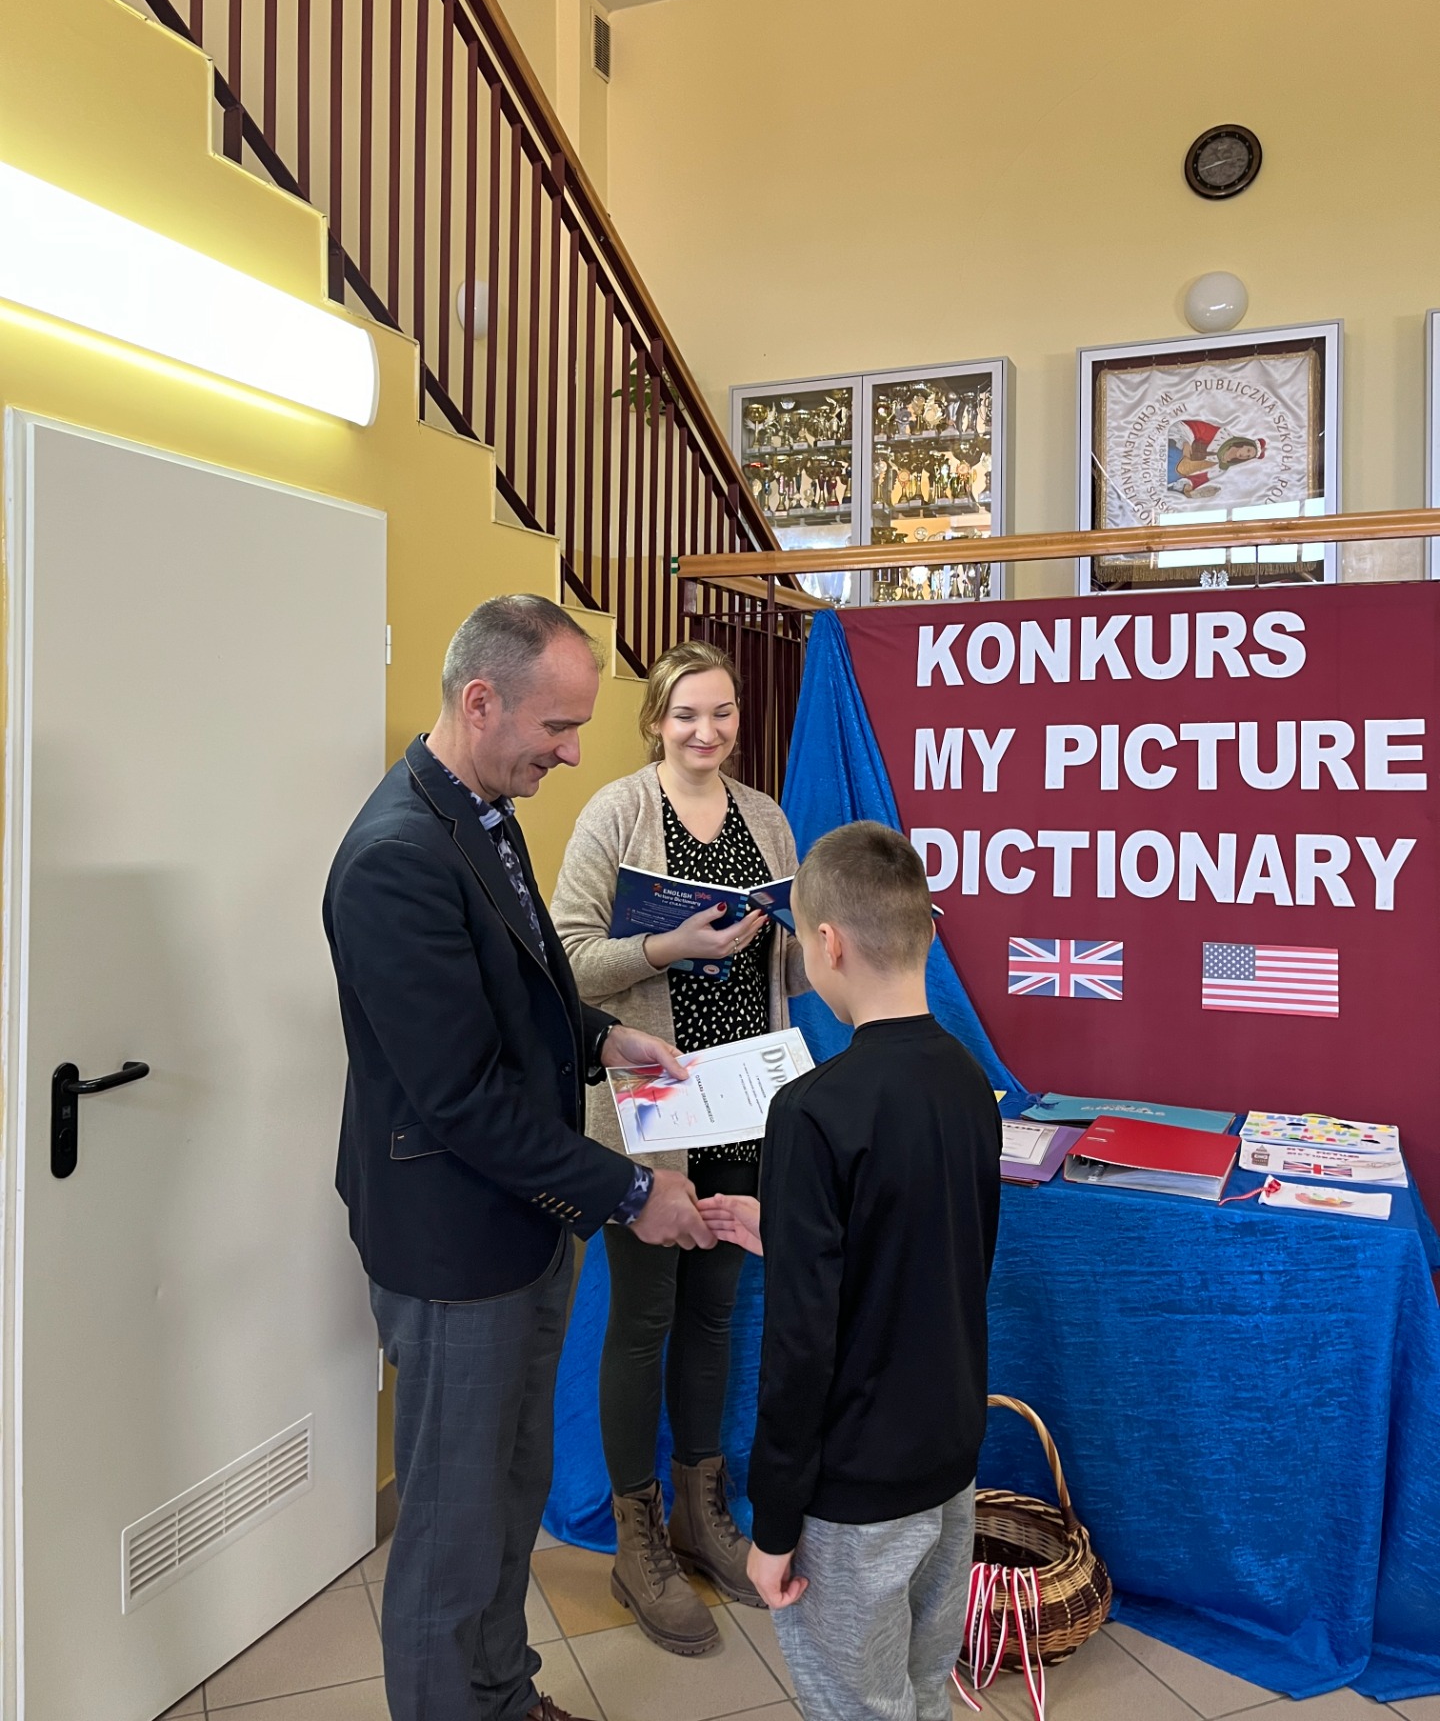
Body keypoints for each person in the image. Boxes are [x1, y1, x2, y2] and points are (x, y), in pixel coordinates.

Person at [323, 594, 715, 1721]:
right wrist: (633, 1191)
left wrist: (601, 1037)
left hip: (524, 1222)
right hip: (457, 1244)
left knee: (507, 1500)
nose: (573, 753)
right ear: (482, 701)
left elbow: (517, 992)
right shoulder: (396, 858)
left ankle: (502, 1695)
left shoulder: (483, 810)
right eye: (558, 727)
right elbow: (460, 1098)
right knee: (451, 1540)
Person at [702, 821, 1001, 1721]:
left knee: (858, 1704)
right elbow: (939, 1255)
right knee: (922, 1688)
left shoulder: (811, 1110)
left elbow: (801, 1344)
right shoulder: (968, 1081)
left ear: (826, 943)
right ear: (925, 932)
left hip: (855, 1489)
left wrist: (774, 1522)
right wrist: (795, 1234)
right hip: (949, 1460)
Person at [551, 640, 808, 1656]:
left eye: (724, 713)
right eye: (688, 714)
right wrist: (669, 946)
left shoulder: (767, 819)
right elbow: (568, 963)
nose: (708, 731)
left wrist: (808, 932)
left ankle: (704, 1515)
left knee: (715, 1313)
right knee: (645, 1317)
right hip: (651, 1104)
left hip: (745, 1099)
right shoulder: (615, 813)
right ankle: (638, 1539)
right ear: (656, 719)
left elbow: (789, 963)